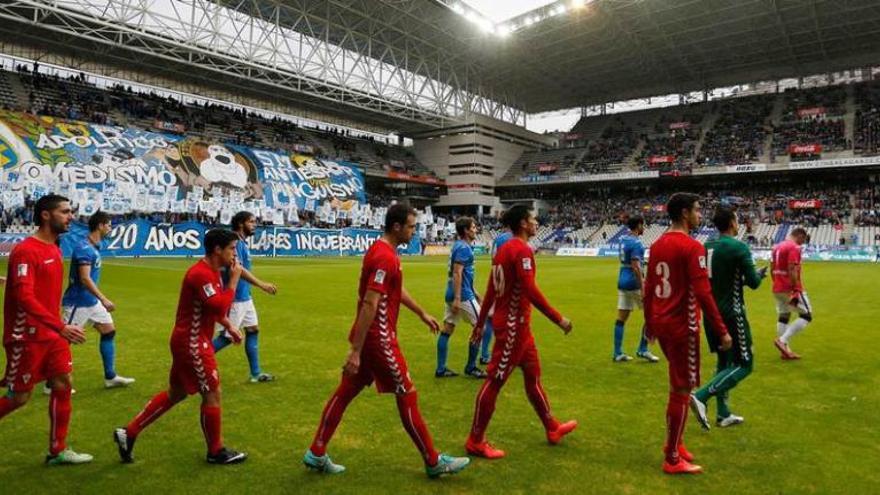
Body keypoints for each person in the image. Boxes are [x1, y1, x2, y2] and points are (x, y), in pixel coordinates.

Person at [303, 204, 470, 478]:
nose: (414, 232)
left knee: (345, 392)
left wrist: (421, 313)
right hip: (378, 339)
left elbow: (395, 289)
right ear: (397, 227)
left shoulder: (384, 252)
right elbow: (370, 302)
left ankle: (316, 452)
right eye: (411, 227)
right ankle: (433, 460)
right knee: (407, 393)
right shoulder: (384, 256)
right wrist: (355, 351)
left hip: (372, 338)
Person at [114, 229, 248, 465]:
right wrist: (234, 281)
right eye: (231, 248)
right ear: (217, 249)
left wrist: (229, 325)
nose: (234, 254)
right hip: (193, 343)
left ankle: (129, 432)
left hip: (189, 340)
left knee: (176, 393)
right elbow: (217, 305)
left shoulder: (212, 272)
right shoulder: (200, 274)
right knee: (212, 393)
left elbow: (210, 308)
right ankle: (215, 451)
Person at [466, 205, 576, 460]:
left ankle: (552, 427)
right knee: (494, 380)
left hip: (520, 329)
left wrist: (481, 323)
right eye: (533, 219)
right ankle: (475, 440)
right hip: (513, 328)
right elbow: (530, 290)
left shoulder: (504, 248)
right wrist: (558, 319)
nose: (536, 223)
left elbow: (491, 289)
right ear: (524, 224)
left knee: (533, 377)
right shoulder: (521, 249)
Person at [0, 194, 93, 465]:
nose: (71, 216)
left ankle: (57, 450)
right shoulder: (26, 250)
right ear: (45, 215)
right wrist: (61, 326)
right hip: (26, 336)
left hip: (52, 334)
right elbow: (24, 298)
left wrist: (57, 328)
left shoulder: (55, 247)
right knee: (19, 397)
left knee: (64, 383)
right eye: (65, 211)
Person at [643, 193, 732, 475]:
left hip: (663, 323)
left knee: (679, 385)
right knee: (681, 390)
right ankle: (671, 458)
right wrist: (721, 330)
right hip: (683, 326)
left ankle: (676, 443)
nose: (700, 214)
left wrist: (649, 322)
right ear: (684, 213)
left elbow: (648, 288)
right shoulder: (693, 247)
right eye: (696, 210)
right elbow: (704, 293)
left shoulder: (657, 245)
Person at [691, 208, 767, 429]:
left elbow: (716, 281)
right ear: (733, 223)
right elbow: (753, 283)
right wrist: (758, 276)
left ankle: (723, 414)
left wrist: (741, 279)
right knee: (745, 363)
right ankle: (701, 396)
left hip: (711, 314)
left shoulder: (705, 247)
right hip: (732, 315)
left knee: (724, 361)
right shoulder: (739, 247)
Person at [61, 211, 135, 390]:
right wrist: (104, 299)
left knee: (109, 331)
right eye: (108, 225)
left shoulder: (93, 246)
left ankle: (110, 377)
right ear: (100, 225)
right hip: (78, 302)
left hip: (91, 302)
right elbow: (85, 279)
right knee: (63, 341)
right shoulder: (84, 248)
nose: (110, 228)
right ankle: (52, 382)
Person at [212, 211, 278, 382]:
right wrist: (262, 285)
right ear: (241, 223)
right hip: (235, 299)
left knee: (253, 329)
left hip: (245, 297)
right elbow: (238, 269)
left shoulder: (241, 242)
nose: (254, 225)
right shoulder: (234, 242)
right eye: (251, 222)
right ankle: (192, 363)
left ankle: (255, 374)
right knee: (227, 338)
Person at [436, 217, 486, 378]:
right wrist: (458, 298)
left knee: (447, 328)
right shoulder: (464, 248)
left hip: (452, 292)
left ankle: (441, 368)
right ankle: (471, 367)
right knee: (481, 328)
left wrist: (476, 292)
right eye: (473, 227)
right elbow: (458, 272)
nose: (475, 229)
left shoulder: (458, 246)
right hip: (462, 295)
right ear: (466, 230)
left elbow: (463, 274)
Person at [612, 215, 659, 363]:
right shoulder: (637, 243)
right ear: (638, 225)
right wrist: (643, 285)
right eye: (643, 225)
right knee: (651, 314)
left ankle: (617, 352)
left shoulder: (623, 240)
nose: (644, 228)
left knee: (621, 318)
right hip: (633, 283)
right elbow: (635, 266)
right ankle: (643, 349)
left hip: (622, 280)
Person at [771, 227, 811, 359]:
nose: (802, 243)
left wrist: (777, 282)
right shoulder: (794, 247)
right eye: (803, 240)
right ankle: (782, 340)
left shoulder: (776, 247)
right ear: (799, 236)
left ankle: (785, 351)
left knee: (784, 315)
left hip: (777, 287)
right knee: (807, 316)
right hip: (790, 288)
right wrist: (795, 288)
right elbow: (792, 268)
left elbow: (772, 268)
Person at [479, 227, 513, 365]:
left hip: (495, 276)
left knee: (491, 317)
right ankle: (504, 354)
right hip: (506, 281)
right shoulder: (510, 239)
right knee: (510, 319)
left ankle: (486, 353)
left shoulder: (499, 238)